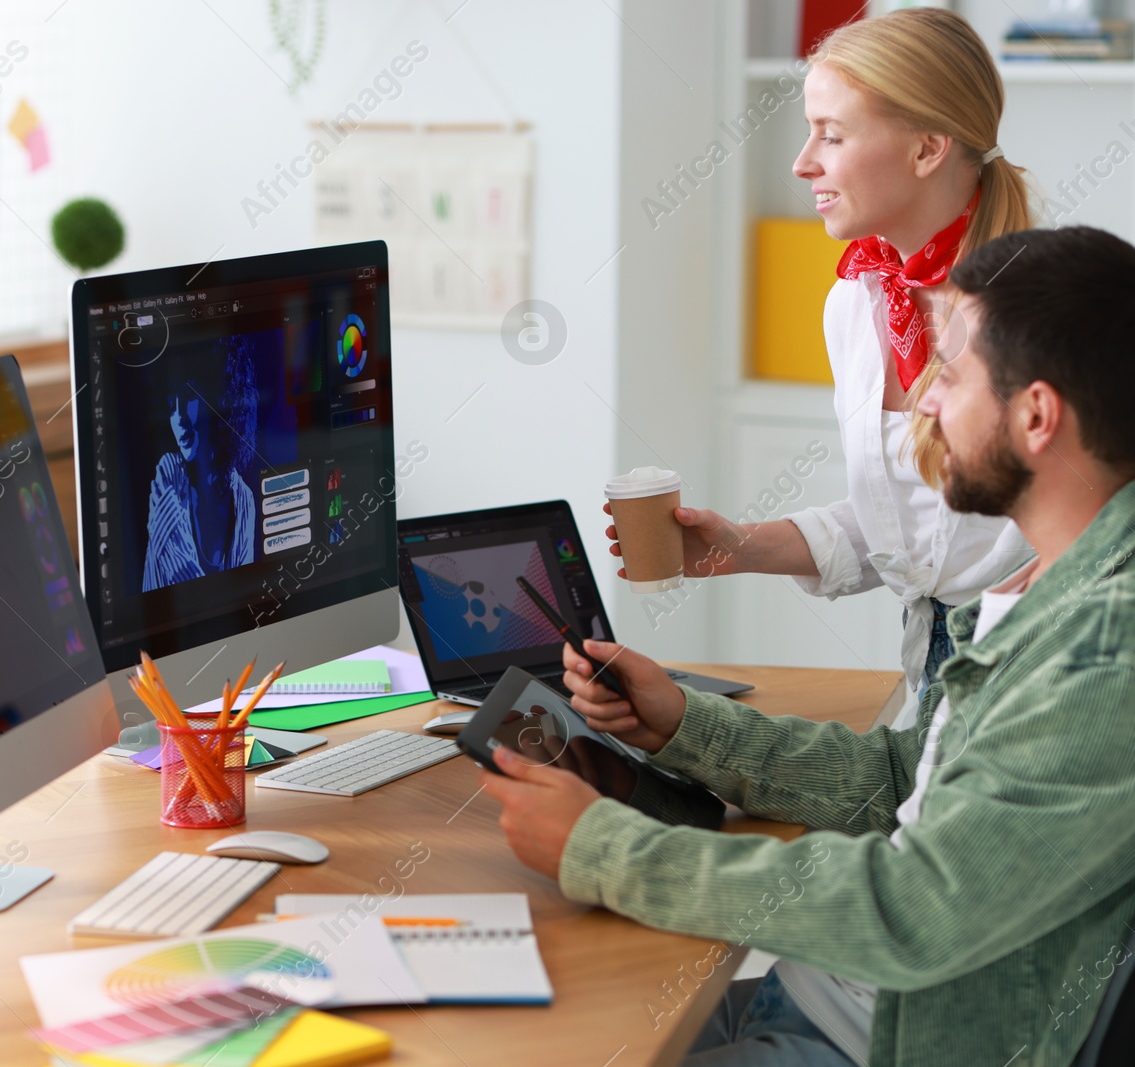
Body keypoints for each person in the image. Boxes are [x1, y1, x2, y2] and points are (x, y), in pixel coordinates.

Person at [483, 227, 1135, 1066]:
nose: (926, 403)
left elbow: (916, 908)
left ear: (1036, 416)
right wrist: (687, 723)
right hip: (832, 994)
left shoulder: (1103, 649)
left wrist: (604, 849)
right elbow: (905, 783)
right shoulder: (1042, 584)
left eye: (954, 376)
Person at [609, 9, 1035, 722]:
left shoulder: (1039, 310)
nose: (803, 162)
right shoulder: (855, 302)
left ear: (928, 147)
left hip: (1031, 665)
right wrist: (736, 546)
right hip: (933, 659)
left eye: (831, 135)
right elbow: (915, 531)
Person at [143, 338, 258, 591]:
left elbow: (245, 598)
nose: (179, 418)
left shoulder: (244, 500)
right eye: (171, 403)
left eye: (188, 396)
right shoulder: (168, 477)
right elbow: (188, 590)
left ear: (221, 396)